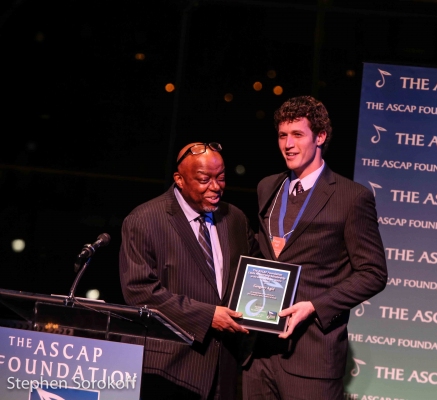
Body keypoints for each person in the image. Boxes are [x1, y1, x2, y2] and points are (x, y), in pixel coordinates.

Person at [242, 96, 388, 399]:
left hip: (312, 354)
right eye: (283, 135)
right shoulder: (268, 186)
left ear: (320, 137)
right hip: (258, 351)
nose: (288, 145)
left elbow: (373, 273)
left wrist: (314, 306)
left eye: (297, 134)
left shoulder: (351, 197)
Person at [119, 142, 260, 400]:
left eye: (221, 178)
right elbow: (140, 292)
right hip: (168, 371)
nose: (216, 187)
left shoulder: (235, 218)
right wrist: (207, 317)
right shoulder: (145, 220)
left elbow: (256, 273)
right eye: (205, 179)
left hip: (224, 369)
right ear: (179, 180)